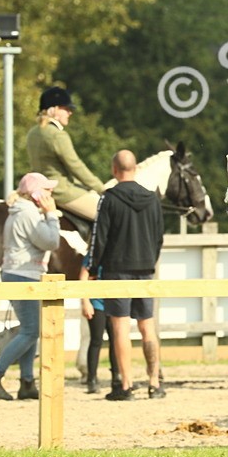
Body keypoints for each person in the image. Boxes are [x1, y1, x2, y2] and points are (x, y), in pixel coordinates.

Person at [87, 150, 165, 401]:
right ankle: (155, 383)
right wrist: (149, 261)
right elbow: (159, 237)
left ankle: (126, 385)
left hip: (116, 269)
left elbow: (99, 238)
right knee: (147, 325)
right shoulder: (152, 199)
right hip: (144, 268)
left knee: (120, 327)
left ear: (113, 170)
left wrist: (92, 269)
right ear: (135, 169)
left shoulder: (108, 198)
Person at [0, 173, 62, 401]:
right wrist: (51, 215)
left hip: (20, 274)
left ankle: (27, 382)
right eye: (46, 190)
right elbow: (51, 241)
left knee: (30, 329)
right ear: (35, 193)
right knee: (31, 331)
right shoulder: (28, 214)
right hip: (24, 276)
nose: (50, 194)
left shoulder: (22, 211)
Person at [25, 86, 106, 222]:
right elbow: (75, 166)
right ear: (55, 109)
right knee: (109, 213)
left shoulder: (32, 132)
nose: (70, 113)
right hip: (61, 191)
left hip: (37, 190)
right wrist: (100, 188)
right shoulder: (57, 135)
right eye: (66, 109)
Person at [79, 255, 117, 395]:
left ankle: (117, 376)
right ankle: (92, 379)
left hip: (113, 302)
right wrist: (85, 302)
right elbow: (83, 278)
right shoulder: (91, 256)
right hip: (97, 303)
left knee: (116, 341)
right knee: (96, 340)